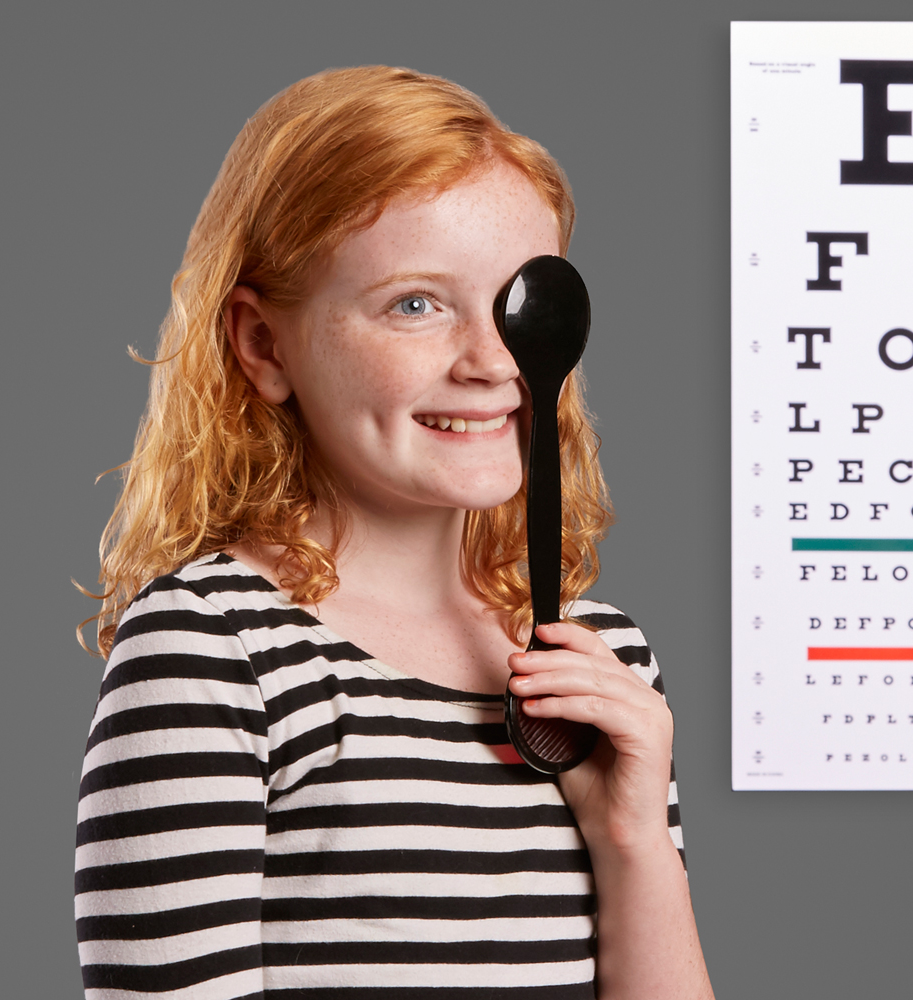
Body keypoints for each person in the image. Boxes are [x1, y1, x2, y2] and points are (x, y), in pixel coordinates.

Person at [75, 65, 714, 1000]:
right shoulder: (214, 650)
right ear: (263, 345)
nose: (494, 362)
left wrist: (632, 841)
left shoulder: (602, 658)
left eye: (519, 301)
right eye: (414, 304)